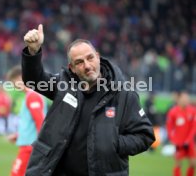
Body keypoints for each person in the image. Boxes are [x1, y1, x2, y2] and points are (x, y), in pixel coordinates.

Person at [21, 24, 155, 176]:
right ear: (72, 68)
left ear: (98, 57)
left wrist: (114, 143)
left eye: (90, 58)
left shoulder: (124, 95)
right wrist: (33, 51)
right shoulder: (63, 85)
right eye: (79, 62)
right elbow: (34, 79)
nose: (87, 65)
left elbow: (145, 135)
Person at [6, 65, 47, 176]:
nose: (13, 86)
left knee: (16, 174)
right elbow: (32, 123)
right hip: (29, 145)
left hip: (30, 147)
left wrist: (39, 145)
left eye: (13, 82)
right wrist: (18, 135)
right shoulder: (30, 95)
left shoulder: (32, 96)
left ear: (20, 78)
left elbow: (40, 121)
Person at [166, 91, 196, 176]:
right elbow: (169, 127)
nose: (186, 100)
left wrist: (188, 140)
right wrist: (172, 140)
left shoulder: (193, 111)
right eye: (184, 98)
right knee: (178, 164)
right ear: (179, 99)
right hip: (178, 142)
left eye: (187, 98)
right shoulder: (173, 111)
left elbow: (194, 127)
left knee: (193, 164)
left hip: (189, 142)